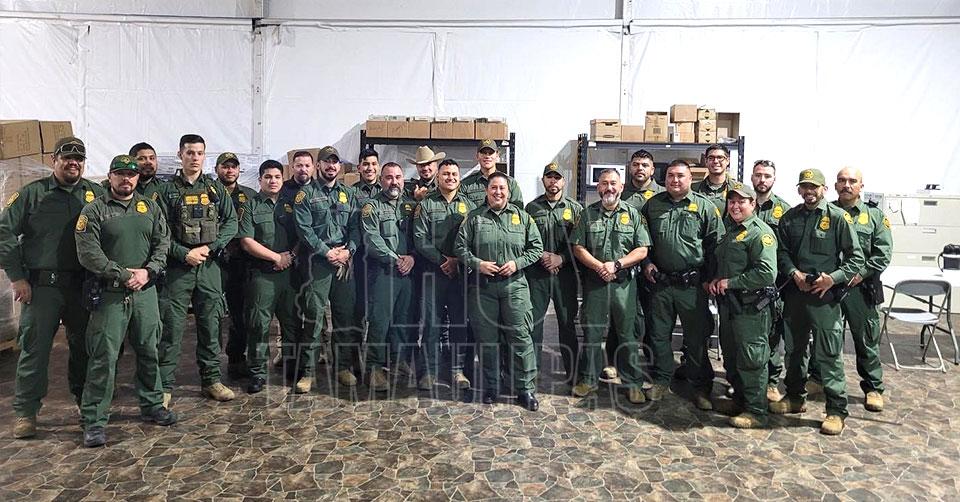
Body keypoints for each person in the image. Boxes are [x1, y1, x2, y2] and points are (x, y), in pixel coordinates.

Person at [0, 137, 106, 439]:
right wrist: (17, 277)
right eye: (67, 157)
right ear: (54, 160)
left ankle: (87, 407)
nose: (73, 163)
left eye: (79, 158)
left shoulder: (96, 194)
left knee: (85, 350)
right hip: (41, 289)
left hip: (82, 288)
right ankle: (26, 412)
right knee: (34, 350)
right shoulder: (31, 194)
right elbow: (4, 233)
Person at [74, 154, 176, 447]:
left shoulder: (149, 207)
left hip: (145, 292)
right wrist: (122, 274)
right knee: (103, 356)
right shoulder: (94, 210)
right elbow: (88, 253)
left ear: (137, 178)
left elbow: (163, 243)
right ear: (110, 176)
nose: (126, 179)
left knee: (149, 349)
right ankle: (94, 420)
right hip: (110, 294)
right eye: (120, 174)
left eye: (131, 175)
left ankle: (153, 404)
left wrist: (148, 271)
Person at [771, 168, 864, 435]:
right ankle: (795, 397)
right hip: (796, 295)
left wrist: (832, 279)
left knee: (828, 354)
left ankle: (836, 411)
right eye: (805, 186)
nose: (809, 191)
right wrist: (794, 273)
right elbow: (782, 252)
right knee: (794, 350)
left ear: (824, 189)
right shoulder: (790, 218)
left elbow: (856, 258)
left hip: (824, 298)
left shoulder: (838, 218)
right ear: (799, 189)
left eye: (814, 187)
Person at [147, 134, 238, 406]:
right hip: (178, 269)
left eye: (199, 153)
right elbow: (159, 230)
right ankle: (164, 386)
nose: (195, 157)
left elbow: (231, 222)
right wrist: (183, 253)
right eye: (189, 152)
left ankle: (211, 380)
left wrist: (210, 248)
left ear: (204, 156)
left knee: (211, 326)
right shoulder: (165, 191)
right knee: (171, 329)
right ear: (180, 155)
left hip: (208, 267)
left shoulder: (215, 189)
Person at [806, 167, 892, 412]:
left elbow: (882, 254)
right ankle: (818, 378)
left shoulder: (874, 216)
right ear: (834, 185)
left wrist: (859, 274)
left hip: (859, 289)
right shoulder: (823, 212)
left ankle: (873, 387)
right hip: (829, 286)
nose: (847, 185)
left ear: (861, 186)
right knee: (823, 335)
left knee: (865, 338)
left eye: (852, 181)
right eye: (842, 180)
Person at [455, 172, 542, 410]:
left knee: (520, 337)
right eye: (493, 188)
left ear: (509, 191)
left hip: (515, 286)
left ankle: (525, 389)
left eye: (502, 188)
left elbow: (536, 248)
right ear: (487, 191)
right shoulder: (474, 218)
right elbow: (460, 247)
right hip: (483, 288)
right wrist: (478, 264)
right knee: (487, 340)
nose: (498, 192)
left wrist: (517, 263)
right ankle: (492, 387)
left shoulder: (523, 218)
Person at [641, 160, 724, 409]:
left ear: (690, 179)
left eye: (680, 176)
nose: (675, 180)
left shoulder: (705, 207)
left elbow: (716, 246)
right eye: (670, 176)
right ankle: (661, 380)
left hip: (692, 286)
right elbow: (641, 239)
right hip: (661, 284)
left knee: (696, 338)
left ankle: (700, 386)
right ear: (664, 179)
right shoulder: (653, 205)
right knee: (658, 334)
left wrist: (710, 278)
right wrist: (646, 263)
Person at [570, 169, 649, 404]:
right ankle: (588, 380)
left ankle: (632, 383)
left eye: (613, 183)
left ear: (621, 187)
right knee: (592, 332)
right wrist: (599, 266)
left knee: (627, 333)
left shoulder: (633, 214)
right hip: (595, 282)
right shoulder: (587, 214)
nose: (609, 188)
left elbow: (642, 249)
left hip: (623, 284)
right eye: (604, 183)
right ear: (598, 187)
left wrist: (616, 265)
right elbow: (578, 247)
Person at [292, 146, 362, 393]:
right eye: (327, 162)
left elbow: (356, 227)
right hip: (318, 264)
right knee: (314, 317)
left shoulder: (348, 194)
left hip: (344, 264)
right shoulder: (305, 194)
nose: (331, 166)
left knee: (345, 316)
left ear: (339, 166)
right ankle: (308, 372)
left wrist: (348, 251)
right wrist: (327, 252)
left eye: (335, 162)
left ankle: (342, 367)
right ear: (318, 165)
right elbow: (304, 229)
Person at [707, 183, 778, 428]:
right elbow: (727, 263)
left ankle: (756, 411)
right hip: (731, 305)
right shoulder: (731, 230)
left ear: (753, 204)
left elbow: (767, 273)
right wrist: (718, 279)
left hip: (751, 308)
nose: (735, 206)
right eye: (732, 201)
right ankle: (739, 400)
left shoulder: (760, 233)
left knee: (752, 359)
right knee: (732, 355)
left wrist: (731, 282)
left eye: (741, 202)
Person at [237, 160, 301, 394]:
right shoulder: (249, 206)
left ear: (283, 179)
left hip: (289, 274)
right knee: (259, 325)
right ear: (260, 180)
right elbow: (246, 241)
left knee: (292, 323)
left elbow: (302, 235)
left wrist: (291, 256)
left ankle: (292, 366)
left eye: (276, 176)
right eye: (268, 177)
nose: (273, 181)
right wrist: (276, 257)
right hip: (262, 275)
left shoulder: (292, 205)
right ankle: (257, 372)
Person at [413, 159, 475, 390]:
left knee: (459, 323)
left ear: (459, 177)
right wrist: (442, 261)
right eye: (446, 174)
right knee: (432, 323)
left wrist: (458, 261)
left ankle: (458, 371)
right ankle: (429, 371)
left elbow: (474, 238)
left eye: (454, 174)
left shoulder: (469, 206)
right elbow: (420, 238)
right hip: (433, 273)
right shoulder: (426, 205)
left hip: (460, 274)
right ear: (438, 177)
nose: (450, 177)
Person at [360, 163, 418, 391]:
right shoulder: (371, 207)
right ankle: (373, 367)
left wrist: (412, 258)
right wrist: (396, 259)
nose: (394, 182)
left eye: (398, 177)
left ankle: (398, 359)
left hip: (408, 272)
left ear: (403, 179)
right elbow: (371, 239)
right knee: (380, 321)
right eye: (389, 177)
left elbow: (419, 236)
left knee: (403, 318)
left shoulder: (411, 206)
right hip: (383, 272)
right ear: (381, 180)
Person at [525, 162, 583, 384]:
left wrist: (561, 258)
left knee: (567, 325)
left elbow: (580, 242)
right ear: (543, 180)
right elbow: (525, 239)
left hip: (565, 276)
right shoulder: (531, 208)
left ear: (563, 181)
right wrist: (541, 255)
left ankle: (573, 373)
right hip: (537, 274)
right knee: (534, 325)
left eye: (557, 177)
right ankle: (532, 373)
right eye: (549, 177)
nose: (553, 181)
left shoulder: (575, 209)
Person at [617, 149, 665, 384]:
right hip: (624, 266)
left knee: (653, 318)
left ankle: (653, 363)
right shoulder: (620, 193)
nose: (640, 168)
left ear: (652, 169)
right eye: (636, 164)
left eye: (645, 165)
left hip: (655, 267)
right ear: (630, 167)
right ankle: (616, 362)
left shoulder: (663, 195)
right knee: (622, 316)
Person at [750, 159, 791, 402]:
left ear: (774, 179)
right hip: (745, 282)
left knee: (772, 335)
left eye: (767, 176)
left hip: (774, 284)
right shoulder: (741, 203)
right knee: (747, 337)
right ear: (752, 177)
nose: (762, 180)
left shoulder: (784, 209)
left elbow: (788, 248)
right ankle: (748, 381)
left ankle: (771, 382)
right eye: (758, 175)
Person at [215, 152, 258, 381]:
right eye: (225, 166)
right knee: (211, 314)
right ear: (217, 169)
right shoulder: (206, 193)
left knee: (240, 313)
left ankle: (236, 358)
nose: (229, 170)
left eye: (233, 167)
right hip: (213, 261)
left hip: (241, 262)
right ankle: (211, 366)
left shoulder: (249, 196)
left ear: (239, 170)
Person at [460, 139, 523, 208]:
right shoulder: (466, 185)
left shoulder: (510, 183)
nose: (487, 156)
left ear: (497, 156)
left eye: (491, 153)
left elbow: (518, 210)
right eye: (484, 153)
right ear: (477, 156)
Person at [692, 144, 736, 212]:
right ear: (706, 161)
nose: (715, 161)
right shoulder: (693, 190)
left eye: (720, 157)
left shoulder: (739, 190)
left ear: (727, 161)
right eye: (711, 158)